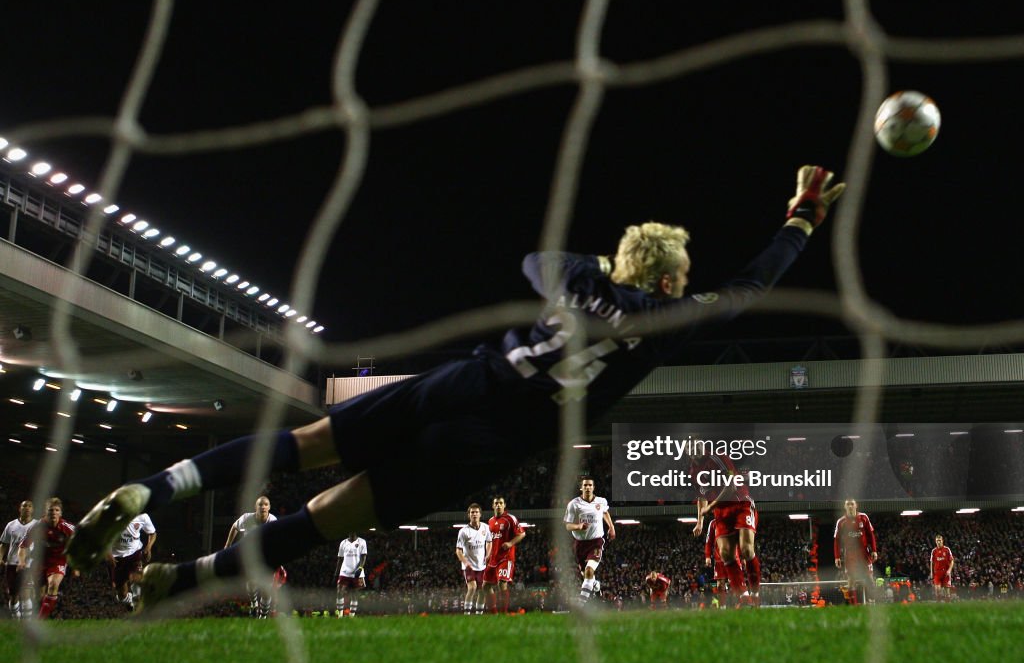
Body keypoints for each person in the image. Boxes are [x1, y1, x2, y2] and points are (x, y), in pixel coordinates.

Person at [65, 166, 845, 612]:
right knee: (325, 516)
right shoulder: (667, 317)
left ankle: (155, 488)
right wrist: (800, 222)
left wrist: (597, 274)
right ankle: (180, 579)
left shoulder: (573, 280)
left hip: (457, 383)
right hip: (488, 440)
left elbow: (535, 262)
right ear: (671, 278)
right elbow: (747, 288)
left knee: (305, 445)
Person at [690, 451, 760, 606]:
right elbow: (701, 497)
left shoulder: (718, 458)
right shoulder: (694, 472)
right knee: (726, 555)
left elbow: (731, 485)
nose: (693, 449)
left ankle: (755, 594)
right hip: (721, 512)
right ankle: (745, 599)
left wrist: (710, 507)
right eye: (688, 446)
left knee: (747, 550)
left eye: (696, 444)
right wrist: (700, 522)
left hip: (740, 503)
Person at [18, 498, 75, 619]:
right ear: (45, 512)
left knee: (53, 585)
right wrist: (22, 561)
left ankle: (40, 620)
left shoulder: (68, 528)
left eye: (56, 510)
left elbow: (78, 546)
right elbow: (23, 546)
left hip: (58, 561)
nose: (53, 512)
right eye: (50, 510)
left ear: (60, 513)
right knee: (38, 596)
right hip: (40, 561)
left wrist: (76, 565)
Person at [563, 476, 614, 605]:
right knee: (586, 575)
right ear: (581, 488)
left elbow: (605, 512)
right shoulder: (574, 504)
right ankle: (595, 585)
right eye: (585, 485)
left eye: (590, 485)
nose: (587, 487)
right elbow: (568, 525)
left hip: (596, 542)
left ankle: (581, 603)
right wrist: (578, 526)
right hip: (580, 544)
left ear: (593, 487)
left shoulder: (601, 501)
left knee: (589, 570)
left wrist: (611, 527)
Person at [226, 496, 278, 618]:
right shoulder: (247, 518)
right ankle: (254, 602)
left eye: (265, 504)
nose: (263, 507)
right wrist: (227, 545)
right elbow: (234, 527)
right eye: (260, 504)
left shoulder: (273, 521)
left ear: (269, 507)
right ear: (256, 507)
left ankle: (263, 616)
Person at [483, 497, 525, 614]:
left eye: (500, 503)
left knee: (502, 583)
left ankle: (503, 613)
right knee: (485, 586)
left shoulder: (510, 519)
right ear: (493, 506)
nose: (498, 505)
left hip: (505, 557)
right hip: (493, 558)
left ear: (504, 505)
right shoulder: (490, 521)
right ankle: (494, 613)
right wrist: (487, 554)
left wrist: (510, 543)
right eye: (496, 503)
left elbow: (522, 534)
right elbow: (489, 540)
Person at [108, 513, 156, 612]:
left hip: (135, 552)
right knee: (122, 595)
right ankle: (128, 599)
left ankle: (138, 603)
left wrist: (148, 547)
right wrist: (108, 554)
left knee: (136, 577)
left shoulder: (143, 517)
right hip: (117, 557)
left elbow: (152, 533)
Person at [833, 498, 878, 604]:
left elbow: (870, 535)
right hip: (850, 555)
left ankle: (872, 603)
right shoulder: (841, 521)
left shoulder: (864, 517)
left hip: (864, 554)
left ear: (856, 505)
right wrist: (837, 557)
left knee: (870, 579)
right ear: (845, 506)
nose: (850, 506)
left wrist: (874, 550)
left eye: (852, 504)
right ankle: (853, 607)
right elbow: (837, 540)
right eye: (848, 504)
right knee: (851, 581)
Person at [0, 500, 34, 618]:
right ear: (20, 508)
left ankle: (27, 622)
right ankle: (17, 620)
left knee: (25, 593)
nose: (27, 508)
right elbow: (4, 544)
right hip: (11, 563)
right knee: (13, 595)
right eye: (25, 506)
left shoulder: (37, 525)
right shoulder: (11, 525)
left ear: (33, 509)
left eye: (30, 506)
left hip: (28, 564)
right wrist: (0, 557)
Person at [455, 503, 490, 614]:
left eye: (476, 512)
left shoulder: (486, 527)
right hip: (469, 566)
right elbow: (458, 551)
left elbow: (489, 542)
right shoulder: (463, 531)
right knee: (472, 588)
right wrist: (465, 562)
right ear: (469, 515)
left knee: (482, 591)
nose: (474, 514)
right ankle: (467, 614)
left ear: (480, 514)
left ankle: (478, 615)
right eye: (472, 512)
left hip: (482, 565)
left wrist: (488, 555)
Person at [335, 532, 367, 617]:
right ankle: (340, 615)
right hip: (344, 571)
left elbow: (364, 556)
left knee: (354, 594)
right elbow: (340, 558)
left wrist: (360, 568)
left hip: (357, 572)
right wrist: (336, 573)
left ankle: (351, 616)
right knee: (339, 591)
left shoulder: (362, 542)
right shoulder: (343, 542)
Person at [930, 534, 955, 602]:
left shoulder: (947, 549)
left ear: (942, 541)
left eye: (940, 540)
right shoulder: (934, 551)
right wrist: (931, 572)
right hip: (937, 573)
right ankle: (939, 605)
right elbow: (931, 562)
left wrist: (949, 570)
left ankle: (948, 606)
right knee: (938, 590)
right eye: (937, 541)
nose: (938, 542)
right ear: (935, 541)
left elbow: (952, 561)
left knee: (947, 592)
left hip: (946, 573)